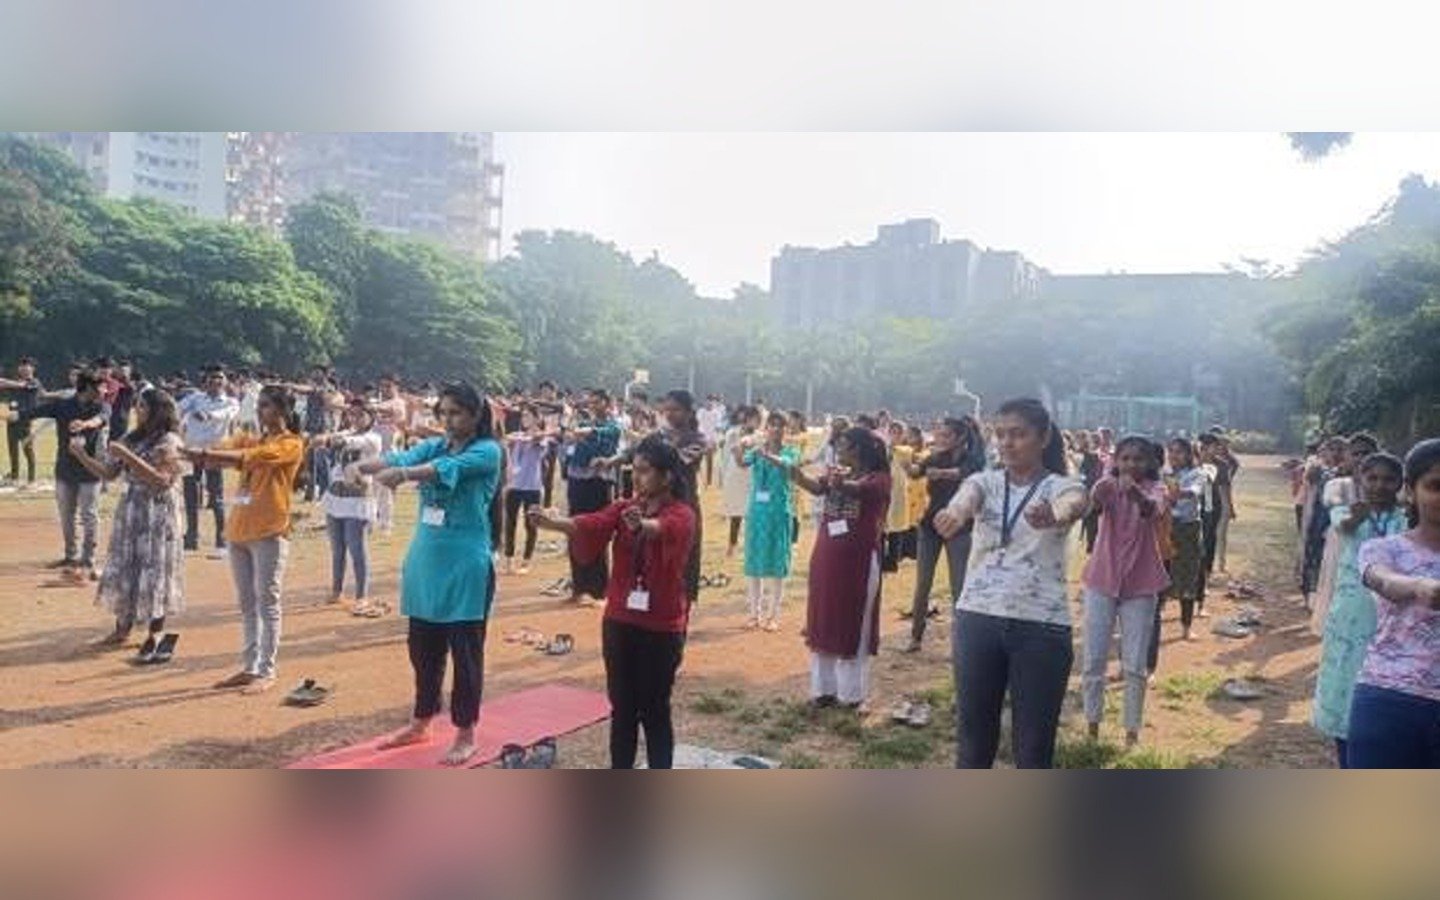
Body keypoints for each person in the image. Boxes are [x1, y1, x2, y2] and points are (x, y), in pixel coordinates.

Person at [355, 382, 503, 766]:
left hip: (466, 565)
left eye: (457, 413)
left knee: (465, 654)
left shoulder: (487, 451)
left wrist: (404, 476)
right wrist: (361, 466)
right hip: (426, 562)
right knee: (423, 650)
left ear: (475, 415)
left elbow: (441, 470)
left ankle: (466, 732)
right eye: (444, 413)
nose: (449, 421)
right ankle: (421, 721)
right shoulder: (436, 444)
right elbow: (402, 457)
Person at [934, 398, 1087, 768]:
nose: (1007, 443)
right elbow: (965, 500)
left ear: (1043, 436)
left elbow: (1076, 503)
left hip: (1042, 627)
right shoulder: (983, 482)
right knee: (973, 741)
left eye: (1018, 434)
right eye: (1000, 435)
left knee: (1034, 747)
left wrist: (1054, 514)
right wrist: (952, 514)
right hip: (978, 620)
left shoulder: (1063, 486)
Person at [530, 435, 697, 768]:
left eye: (645, 471)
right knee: (621, 708)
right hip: (620, 621)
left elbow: (665, 529)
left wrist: (643, 525)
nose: (636, 477)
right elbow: (594, 524)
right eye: (633, 470)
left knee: (654, 710)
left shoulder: (683, 513)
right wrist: (555, 523)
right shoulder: (623, 507)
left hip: (661, 627)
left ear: (666, 476)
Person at [188, 385, 305, 695]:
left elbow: (246, 456)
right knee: (247, 604)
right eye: (260, 405)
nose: (260, 410)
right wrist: (202, 453)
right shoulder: (253, 436)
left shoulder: (291, 443)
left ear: (282, 410)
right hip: (239, 529)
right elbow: (224, 451)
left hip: (268, 530)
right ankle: (250, 666)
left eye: (266, 405)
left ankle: (267, 670)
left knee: (268, 603)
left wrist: (203, 454)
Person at [68, 388, 186, 657]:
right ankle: (122, 628)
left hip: (158, 514)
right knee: (126, 566)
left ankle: (155, 632)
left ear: (159, 411)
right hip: (132, 511)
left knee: (155, 568)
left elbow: (161, 481)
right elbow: (109, 473)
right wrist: (82, 456)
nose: (138, 411)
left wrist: (127, 455)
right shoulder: (133, 438)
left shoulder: (170, 440)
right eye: (137, 406)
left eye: (143, 406)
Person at [1347, 438, 1440, 768]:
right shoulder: (1384, 549)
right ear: (1411, 492)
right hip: (1389, 701)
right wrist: (1418, 586)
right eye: (1435, 486)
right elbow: (1382, 580)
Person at [1311, 452, 1408, 768]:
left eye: (1388, 479)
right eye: (1372, 478)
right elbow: (1346, 527)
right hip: (1351, 615)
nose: (1380, 485)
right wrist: (1358, 516)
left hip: (1393, 616)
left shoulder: (1405, 519)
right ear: (1360, 480)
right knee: (1345, 684)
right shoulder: (1345, 511)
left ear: (1400, 484)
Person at [788, 426, 891, 710]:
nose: (839, 450)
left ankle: (851, 695)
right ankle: (823, 690)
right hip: (827, 558)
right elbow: (816, 486)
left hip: (857, 562)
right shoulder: (839, 472)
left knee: (854, 621)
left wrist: (837, 481)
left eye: (843, 445)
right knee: (823, 618)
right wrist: (793, 473)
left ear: (858, 449)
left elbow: (855, 490)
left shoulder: (879, 479)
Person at [1080, 435, 1169, 749]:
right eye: (1125, 458)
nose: (1131, 464)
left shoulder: (1157, 489)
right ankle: (1092, 725)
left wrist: (1132, 491)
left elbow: (1152, 511)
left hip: (1141, 585)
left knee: (1134, 664)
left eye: (1138, 459)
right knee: (1093, 658)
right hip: (1101, 580)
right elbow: (1093, 502)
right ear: (1116, 460)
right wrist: (1102, 488)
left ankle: (1131, 732)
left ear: (1150, 463)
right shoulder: (1108, 485)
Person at [8, 370, 110, 580]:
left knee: (89, 516)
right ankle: (71, 556)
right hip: (65, 470)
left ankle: (88, 559)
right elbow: (35, 412)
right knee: (66, 516)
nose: (105, 390)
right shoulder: (63, 405)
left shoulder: (102, 405)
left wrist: (85, 424)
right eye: (100, 387)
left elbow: (100, 420)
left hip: (90, 470)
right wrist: (15, 416)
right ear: (87, 388)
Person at [904, 416, 984, 653]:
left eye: (946, 435)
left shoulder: (974, 460)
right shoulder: (935, 456)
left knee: (959, 587)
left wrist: (939, 473)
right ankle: (915, 636)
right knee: (923, 584)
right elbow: (918, 470)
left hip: (959, 528)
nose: (940, 439)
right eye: (939, 434)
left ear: (960, 438)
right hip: (930, 527)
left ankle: (961, 642)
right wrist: (908, 466)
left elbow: (963, 473)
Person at [735, 411, 800, 631]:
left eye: (780, 425)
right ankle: (754, 614)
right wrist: (740, 448)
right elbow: (742, 464)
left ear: (786, 429)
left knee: (777, 565)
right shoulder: (757, 450)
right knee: (755, 564)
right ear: (766, 428)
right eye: (772, 425)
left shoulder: (791, 451)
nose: (776, 429)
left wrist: (767, 455)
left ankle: (773, 616)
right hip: (757, 512)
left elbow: (787, 465)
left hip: (778, 512)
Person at [321, 401, 383, 612]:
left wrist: (329, 439)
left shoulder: (373, 438)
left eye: (360, 415)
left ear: (371, 417)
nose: (355, 419)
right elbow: (341, 439)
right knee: (337, 548)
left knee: (357, 549)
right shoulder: (346, 431)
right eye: (352, 414)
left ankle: (361, 596)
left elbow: (351, 442)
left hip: (357, 500)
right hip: (335, 496)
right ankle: (337, 591)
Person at [562, 390, 622, 605]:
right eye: (591, 402)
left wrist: (581, 432)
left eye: (597, 402)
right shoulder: (582, 424)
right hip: (577, 481)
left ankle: (598, 588)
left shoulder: (613, 427)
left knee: (597, 531)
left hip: (599, 483)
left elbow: (598, 434)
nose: (593, 406)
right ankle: (579, 586)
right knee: (575, 529)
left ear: (607, 404)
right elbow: (568, 439)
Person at [177, 366, 239, 557]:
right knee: (190, 495)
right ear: (206, 381)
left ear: (225, 381)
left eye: (220, 378)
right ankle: (191, 537)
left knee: (216, 498)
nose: (216, 382)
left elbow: (227, 414)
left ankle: (221, 541)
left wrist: (209, 415)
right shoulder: (195, 398)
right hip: (192, 451)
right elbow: (177, 408)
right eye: (212, 378)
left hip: (214, 453)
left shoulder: (231, 401)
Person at [501, 405, 552, 575]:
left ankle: (526, 560)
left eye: (528, 416)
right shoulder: (517, 435)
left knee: (531, 524)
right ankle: (508, 559)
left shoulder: (541, 438)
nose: (524, 419)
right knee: (510, 522)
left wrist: (520, 439)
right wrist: (512, 439)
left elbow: (538, 438)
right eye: (522, 416)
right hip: (514, 485)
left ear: (537, 418)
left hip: (532, 486)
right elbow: (505, 440)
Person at [370, 374, 410, 535]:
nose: (385, 389)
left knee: (385, 487)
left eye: (388, 386)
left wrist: (372, 407)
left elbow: (390, 410)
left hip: (390, 448)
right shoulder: (380, 402)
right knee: (373, 486)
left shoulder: (399, 402)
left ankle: (386, 524)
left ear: (396, 386)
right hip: (376, 448)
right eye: (382, 386)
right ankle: (372, 519)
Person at [719, 406, 758, 559]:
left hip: (752, 476)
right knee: (736, 513)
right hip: (735, 475)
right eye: (752, 418)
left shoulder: (760, 436)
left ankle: (751, 547)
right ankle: (732, 545)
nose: (754, 422)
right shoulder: (732, 433)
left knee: (752, 513)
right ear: (746, 419)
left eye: (757, 419)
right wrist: (723, 476)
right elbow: (726, 455)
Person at [0, 356, 44, 487]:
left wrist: (2, 379)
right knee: (12, 449)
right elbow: (5, 386)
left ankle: (31, 479)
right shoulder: (15, 383)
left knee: (27, 449)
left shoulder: (35, 382)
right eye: (22, 365)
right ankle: (14, 477)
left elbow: (20, 385)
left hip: (25, 420)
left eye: (27, 365)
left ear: (33, 368)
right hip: (12, 419)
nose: (24, 368)